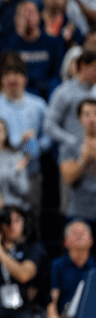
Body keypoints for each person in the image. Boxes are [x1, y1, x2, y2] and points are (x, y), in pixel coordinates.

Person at [48, 219, 95, 318]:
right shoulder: (57, 265)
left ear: (91, 241)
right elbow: (52, 298)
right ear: (66, 242)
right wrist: (53, 317)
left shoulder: (94, 267)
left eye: (82, 233)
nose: (79, 236)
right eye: (74, 233)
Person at [59, 98, 96, 229]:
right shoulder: (70, 144)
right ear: (80, 119)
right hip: (78, 212)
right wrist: (84, 158)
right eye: (87, 114)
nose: (92, 119)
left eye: (95, 113)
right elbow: (68, 178)